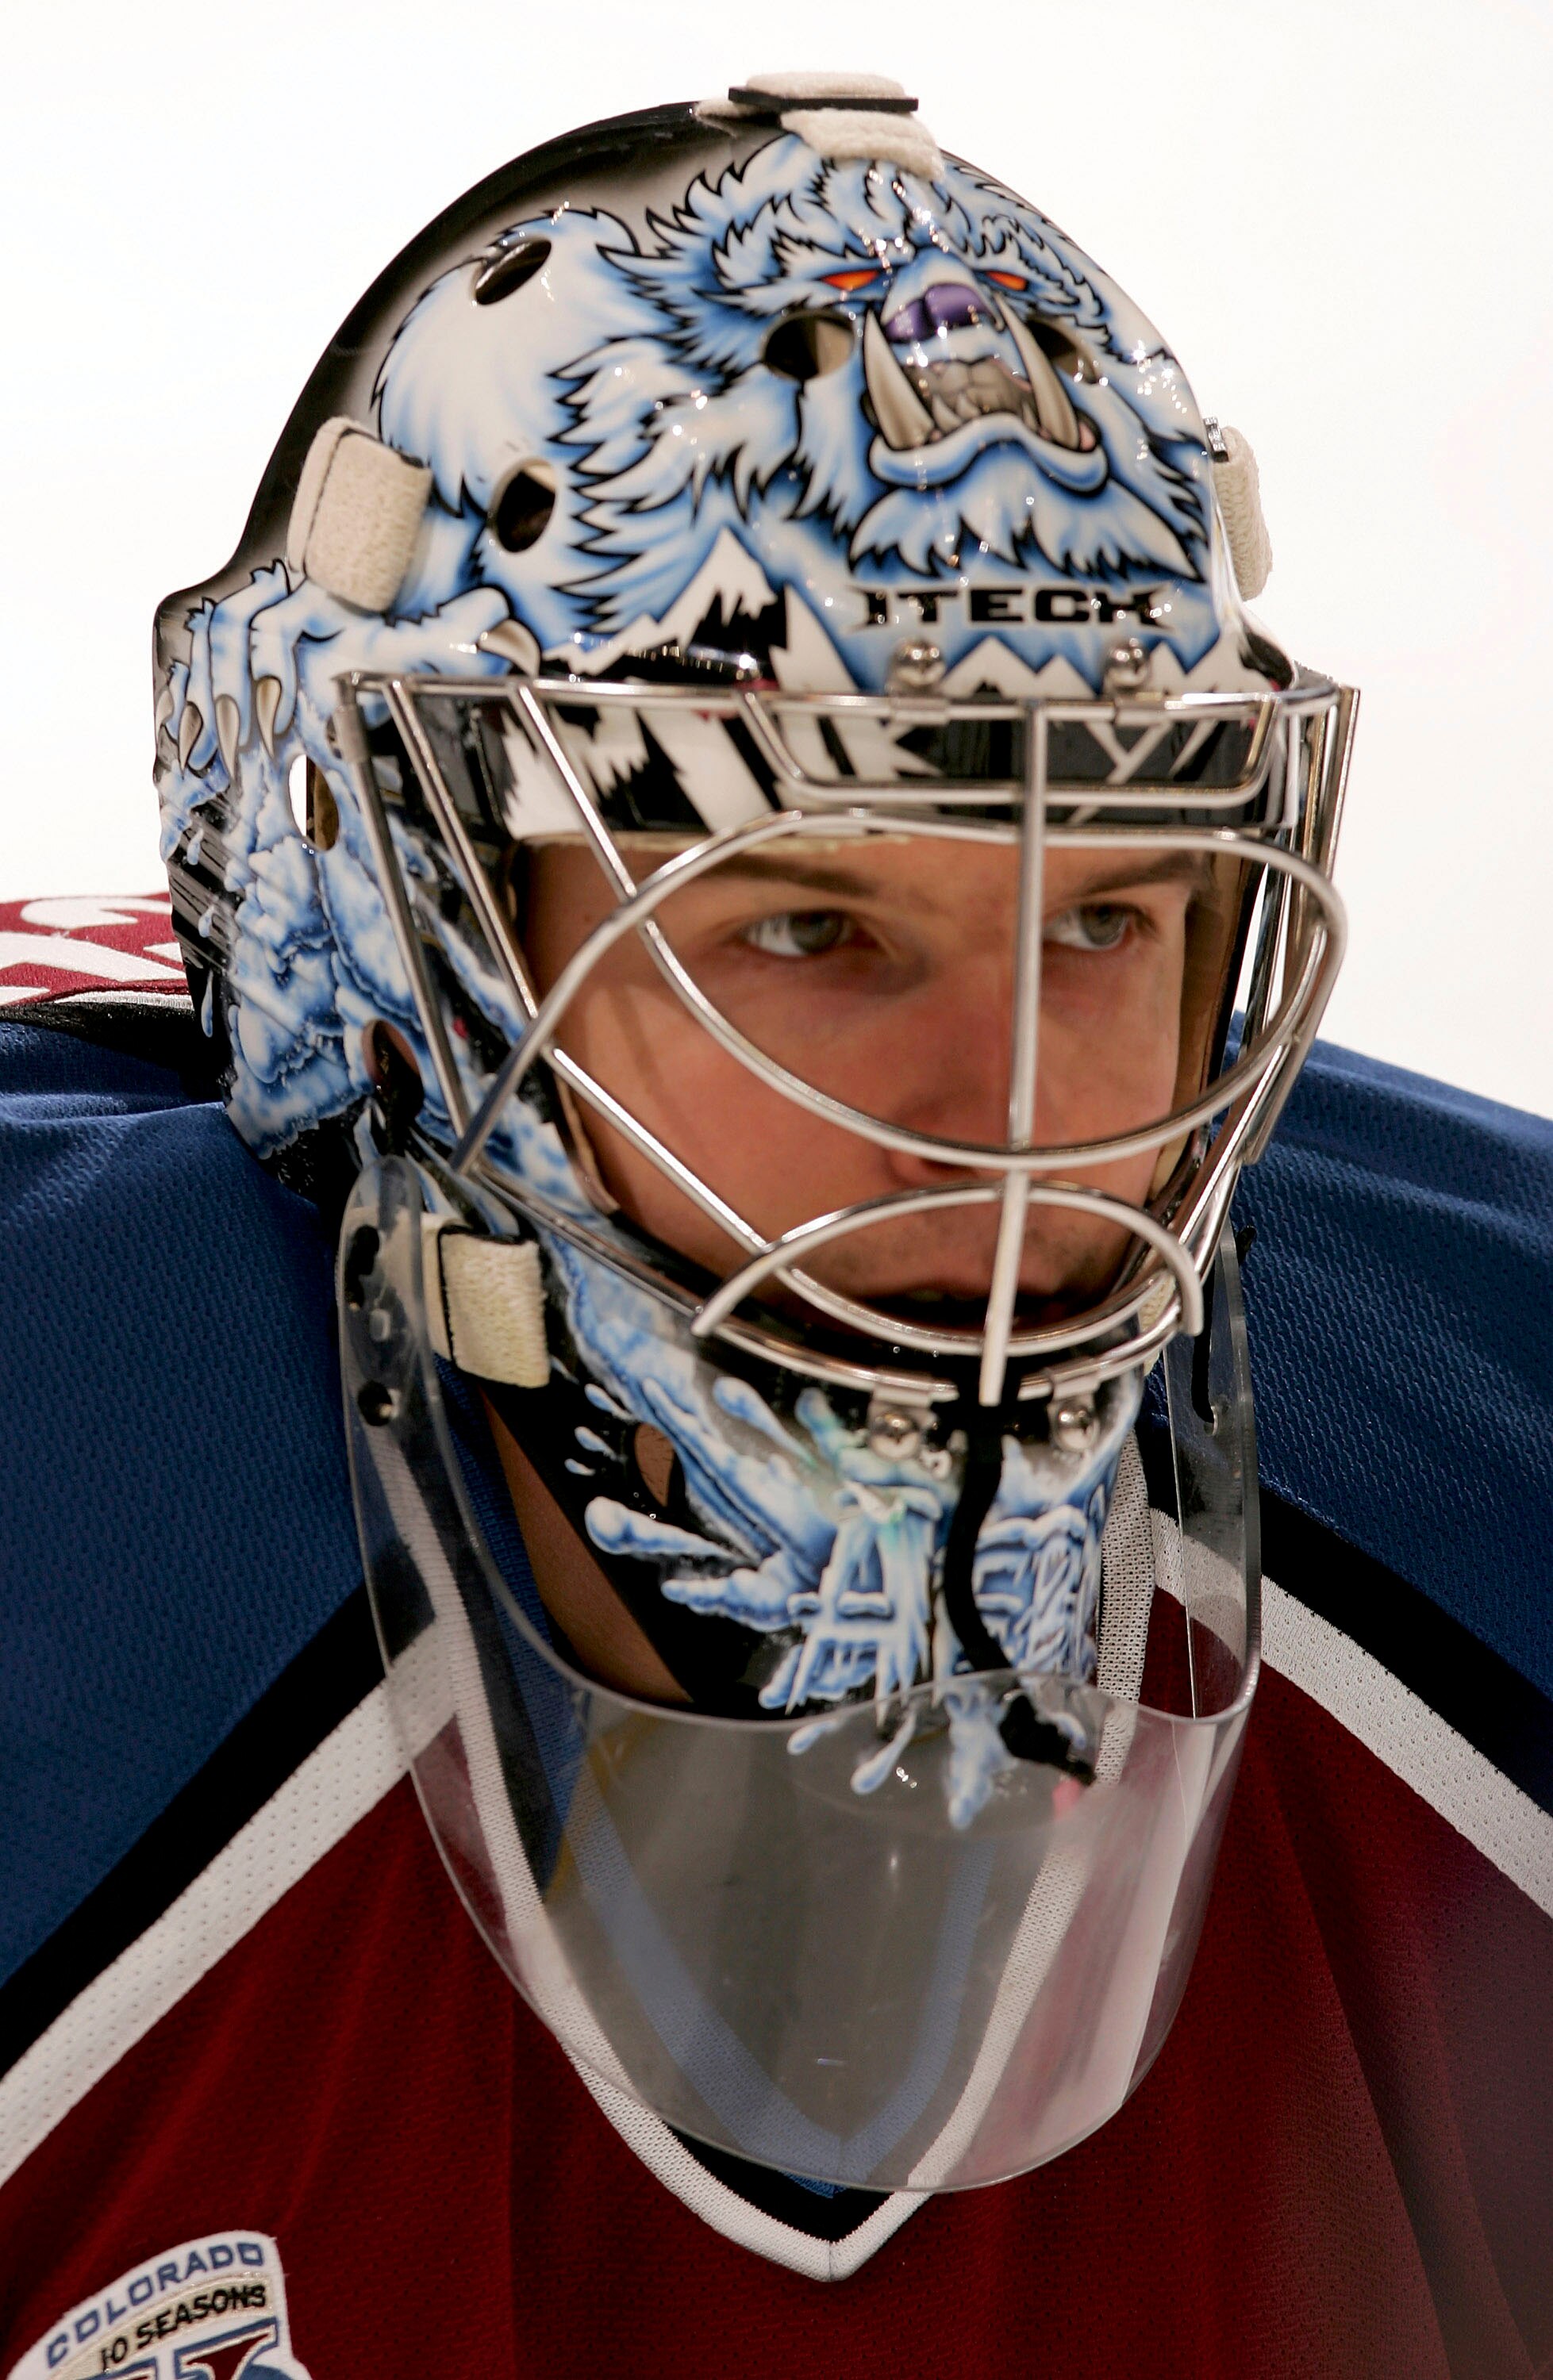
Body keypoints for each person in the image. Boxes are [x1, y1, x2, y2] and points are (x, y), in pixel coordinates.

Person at [2, 75, 1551, 2380]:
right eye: (811, 930)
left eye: (1110, 917)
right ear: (406, 929)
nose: (1006, 1116)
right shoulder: (74, 1510)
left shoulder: (1488, 1474)